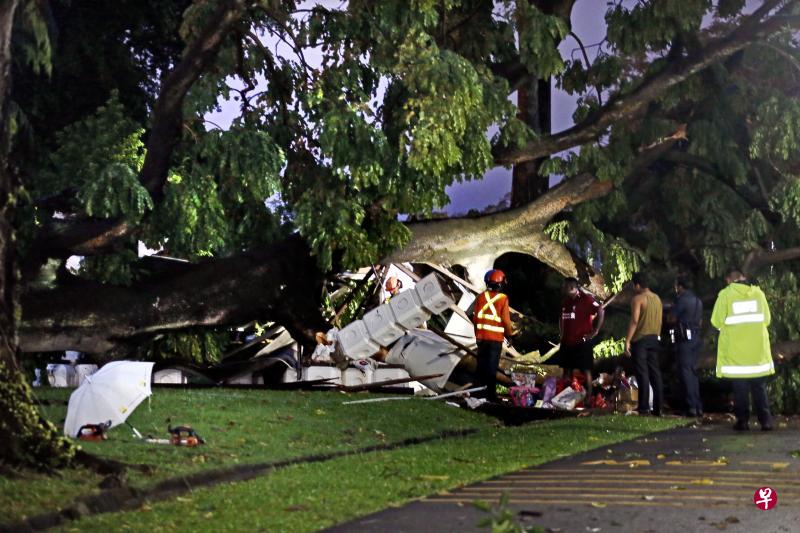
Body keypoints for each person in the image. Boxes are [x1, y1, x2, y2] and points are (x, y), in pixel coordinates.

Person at [710, 268, 774, 431]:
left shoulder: (725, 295)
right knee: (759, 388)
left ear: (729, 280)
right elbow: (767, 320)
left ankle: (743, 422)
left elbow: (716, 321)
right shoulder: (759, 294)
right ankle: (766, 421)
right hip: (758, 352)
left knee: (740, 390)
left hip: (736, 354)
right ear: (743, 277)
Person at [558, 277, 605, 400]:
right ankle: (564, 399)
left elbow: (601, 310)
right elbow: (561, 318)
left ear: (572, 287)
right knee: (566, 371)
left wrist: (595, 331)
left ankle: (588, 399)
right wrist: (561, 333)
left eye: (565, 286)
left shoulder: (586, 299)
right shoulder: (565, 301)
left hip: (582, 342)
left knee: (586, 370)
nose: (563, 288)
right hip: (567, 342)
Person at [471, 269, 514, 402]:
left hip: (481, 338)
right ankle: (490, 396)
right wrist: (510, 335)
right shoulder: (503, 299)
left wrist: (477, 335)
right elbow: (506, 320)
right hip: (495, 340)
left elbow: (475, 318)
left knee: (480, 367)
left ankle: (476, 394)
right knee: (491, 368)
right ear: (501, 284)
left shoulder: (480, 297)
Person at [624, 272, 664, 416]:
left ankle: (644, 407)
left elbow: (634, 321)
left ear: (637, 285)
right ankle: (658, 408)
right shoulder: (657, 299)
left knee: (642, 373)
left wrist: (627, 340)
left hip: (640, 339)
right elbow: (660, 320)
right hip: (654, 338)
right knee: (655, 373)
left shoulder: (638, 299)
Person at [669, 275, 704, 417]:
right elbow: (700, 321)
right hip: (696, 338)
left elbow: (671, 318)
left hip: (684, 340)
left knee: (685, 372)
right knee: (692, 372)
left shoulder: (681, 300)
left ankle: (690, 407)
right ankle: (698, 406)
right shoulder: (697, 301)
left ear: (680, 286)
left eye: (676, 286)